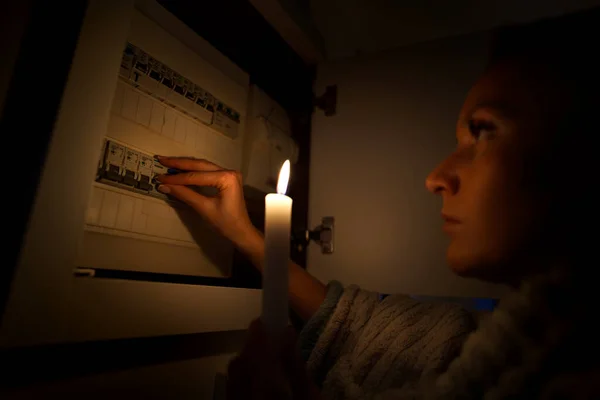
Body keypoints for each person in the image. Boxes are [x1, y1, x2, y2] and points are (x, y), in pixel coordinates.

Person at [153, 9, 599, 399]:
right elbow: (376, 330)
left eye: (483, 131)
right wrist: (249, 238)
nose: (435, 178)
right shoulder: (517, 350)